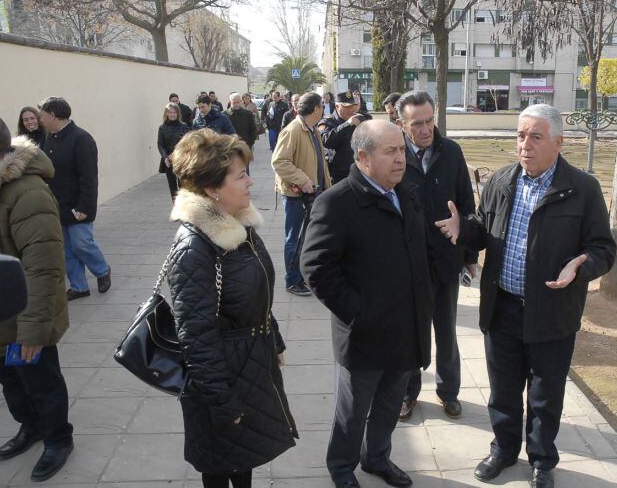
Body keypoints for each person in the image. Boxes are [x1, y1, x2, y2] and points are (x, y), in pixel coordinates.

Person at [435, 104, 617, 488]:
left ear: (558, 142)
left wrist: (581, 266)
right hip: (502, 308)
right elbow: (484, 228)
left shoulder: (582, 189)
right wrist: (462, 229)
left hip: (553, 312)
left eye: (535, 137)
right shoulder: (502, 181)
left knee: (544, 396)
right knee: (502, 391)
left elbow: (604, 249)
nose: (525, 145)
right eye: (520, 136)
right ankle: (502, 450)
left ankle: (542, 461)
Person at [301, 120, 433, 488]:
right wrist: (358, 312)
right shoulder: (337, 202)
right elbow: (315, 268)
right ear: (362, 157)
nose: (400, 158)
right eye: (390, 151)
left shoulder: (406, 193)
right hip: (364, 335)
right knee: (353, 412)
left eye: (402, 149)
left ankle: (377, 459)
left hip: (406, 328)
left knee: (390, 406)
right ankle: (342, 468)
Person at [168, 129, 298, 488]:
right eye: (240, 176)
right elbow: (196, 336)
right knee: (221, 462)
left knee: (244, 457)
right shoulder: (196, 247)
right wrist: (221, 402)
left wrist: (274, 336)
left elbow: (255, 289)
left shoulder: (237, 224)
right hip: (222, 376)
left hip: (249, 362)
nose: (250, 182)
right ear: (212, 190)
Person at [0, 115, 74, 482]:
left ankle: (58, 438)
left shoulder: (28, 192)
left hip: (23, 318)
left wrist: (33, 331)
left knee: (41, 381)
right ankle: (31, 427)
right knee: (10, 383)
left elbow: (44, 268)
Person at [395, 91, 477, 422]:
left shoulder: (451, 153)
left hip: (445, 259)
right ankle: (407, 393)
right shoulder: (395, 154)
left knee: (446, 330)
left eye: (430, 121)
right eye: (417, 123)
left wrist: (470, 254)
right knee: (411, 332)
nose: (426, 129)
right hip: (407, 263)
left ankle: (449, 392)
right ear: (401, 123)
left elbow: (467, 207)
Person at [38, 96, 111, 301]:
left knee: (81, 244)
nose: (41, 120)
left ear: (53, 115)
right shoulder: (50, 137)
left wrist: (84, 207)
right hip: (57, 204)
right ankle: (79, 286)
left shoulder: (81, 138)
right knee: (67, 250)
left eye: (43, 116)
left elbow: (88, 177)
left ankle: (102, 270)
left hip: (78, 205)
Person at [271, 92, 330, 297]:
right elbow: (279, 162)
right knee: (295, 238)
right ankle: (293, 280)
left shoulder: (312, 129)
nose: (323, 108)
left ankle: (303, 276)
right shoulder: (293, 130)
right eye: (321, 105)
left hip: (314, 192)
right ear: (315, 109)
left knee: (308, 237)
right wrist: (302, 179)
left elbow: (321, 162)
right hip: (297, 195)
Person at [318, 91, 372, 184]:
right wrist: (347, 124)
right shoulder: (327, 121)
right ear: (337, 106)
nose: (350, 109)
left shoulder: (360, 119)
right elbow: (326, 141)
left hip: (359, 172)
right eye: (346, 106)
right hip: (337, 175)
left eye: (352, 106)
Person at [157, 102, 188, 201]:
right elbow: (160, 144)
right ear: (166, 114)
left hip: (181, 160)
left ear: (178, 114)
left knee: (183, 185)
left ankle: (183, 206)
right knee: (172, 186)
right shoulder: (162, 128)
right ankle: (176, 207)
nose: (172, 114)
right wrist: (165, 157)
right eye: (170, 112)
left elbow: (187, 142)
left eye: (174, 112)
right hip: (168, 161)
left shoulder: (183, 126)